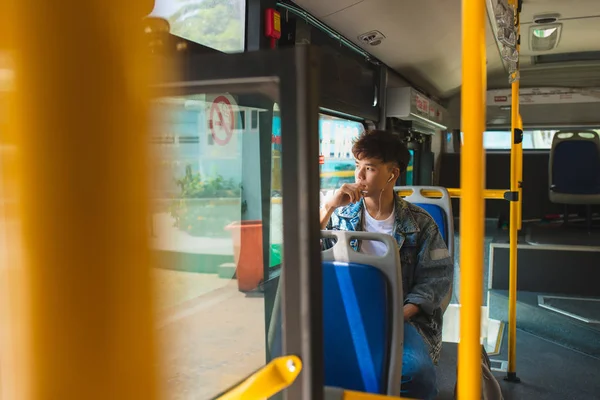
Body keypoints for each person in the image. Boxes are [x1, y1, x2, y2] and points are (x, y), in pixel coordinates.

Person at [320, 129, 453, 400]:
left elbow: (436, 280)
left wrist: (397, 314)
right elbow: (304, 253)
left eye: (368, 168)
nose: (358, 176)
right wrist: (329, 208)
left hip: (401, 317)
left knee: (414, 373)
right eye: (357, 166)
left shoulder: (420, 223)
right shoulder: (341, 217)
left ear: (392, 175)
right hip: (347, 313)